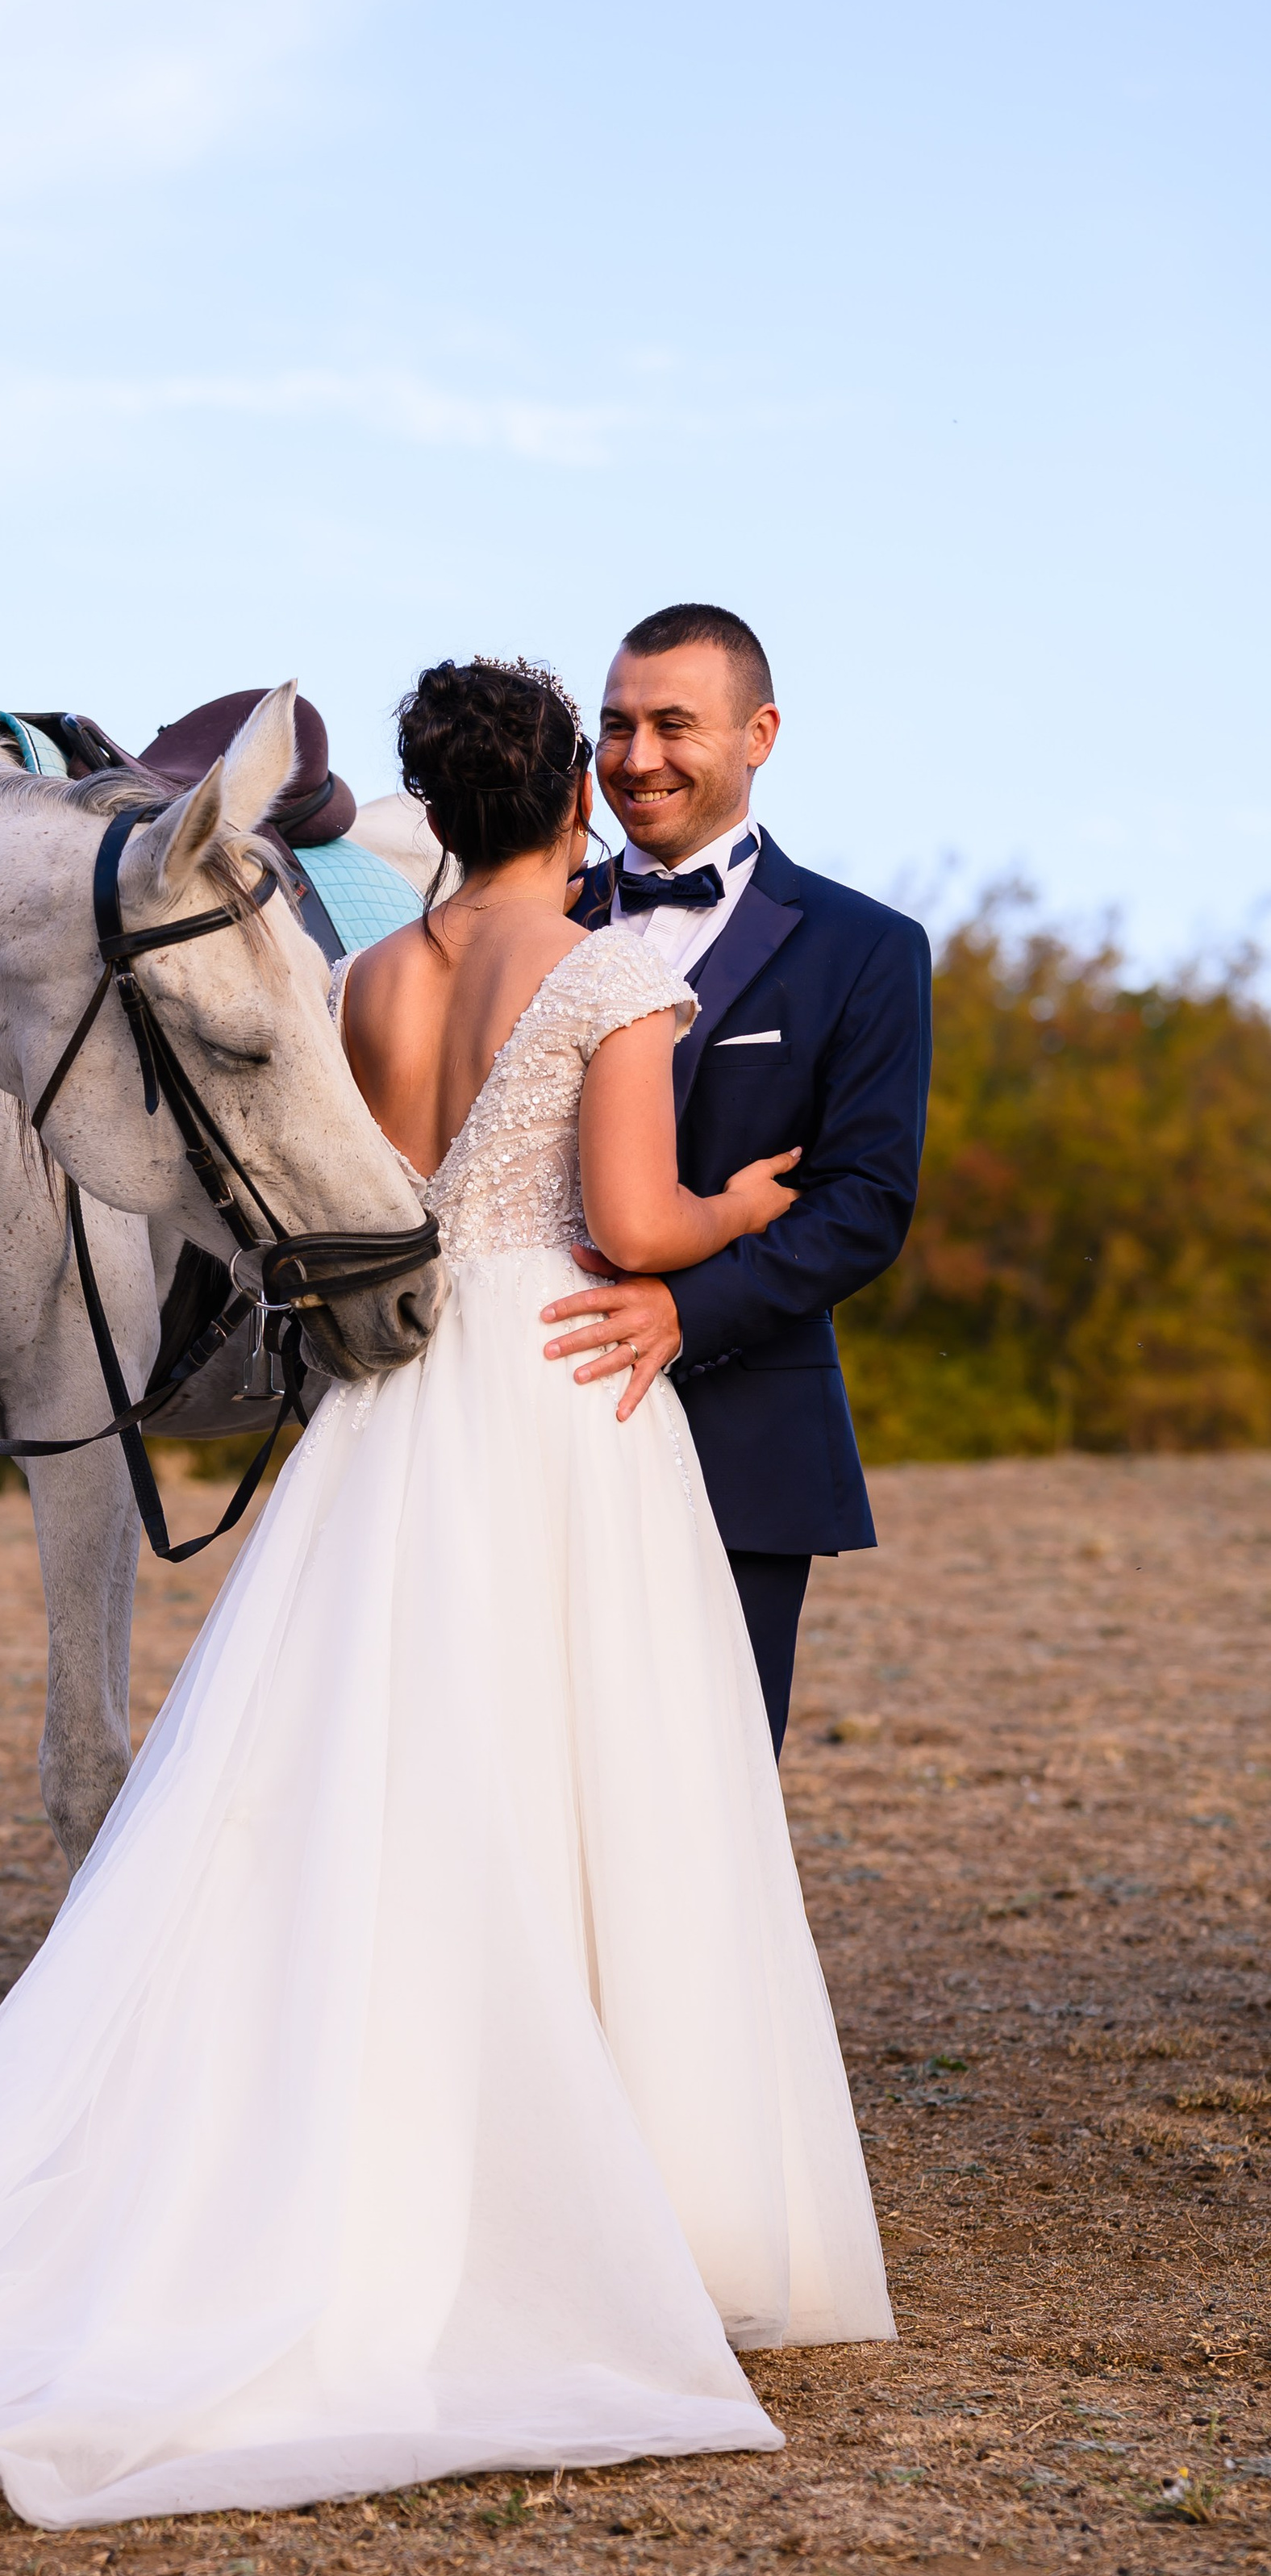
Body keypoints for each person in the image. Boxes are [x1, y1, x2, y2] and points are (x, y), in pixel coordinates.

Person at [0, 657, 893, 2533]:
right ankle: (585, 2164)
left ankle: (328, 2134)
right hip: (550, 1379)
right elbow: (631, 1218)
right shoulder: (607, 973)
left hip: (391, 1409)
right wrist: (742, 1208)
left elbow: (335, 1177)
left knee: (337, 1777)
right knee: (577, 1773)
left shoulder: (370, 977)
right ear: (575, 808)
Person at [543, 605, 933, 1755]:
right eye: (615, 728)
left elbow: (865, 1203)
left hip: (747, 1426)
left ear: (758, 734)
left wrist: (682, 1311)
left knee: (710, 1779)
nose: (637, 758)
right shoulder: (531, 927)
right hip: (533, 1408)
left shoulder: (865, 949)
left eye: (675, 724)